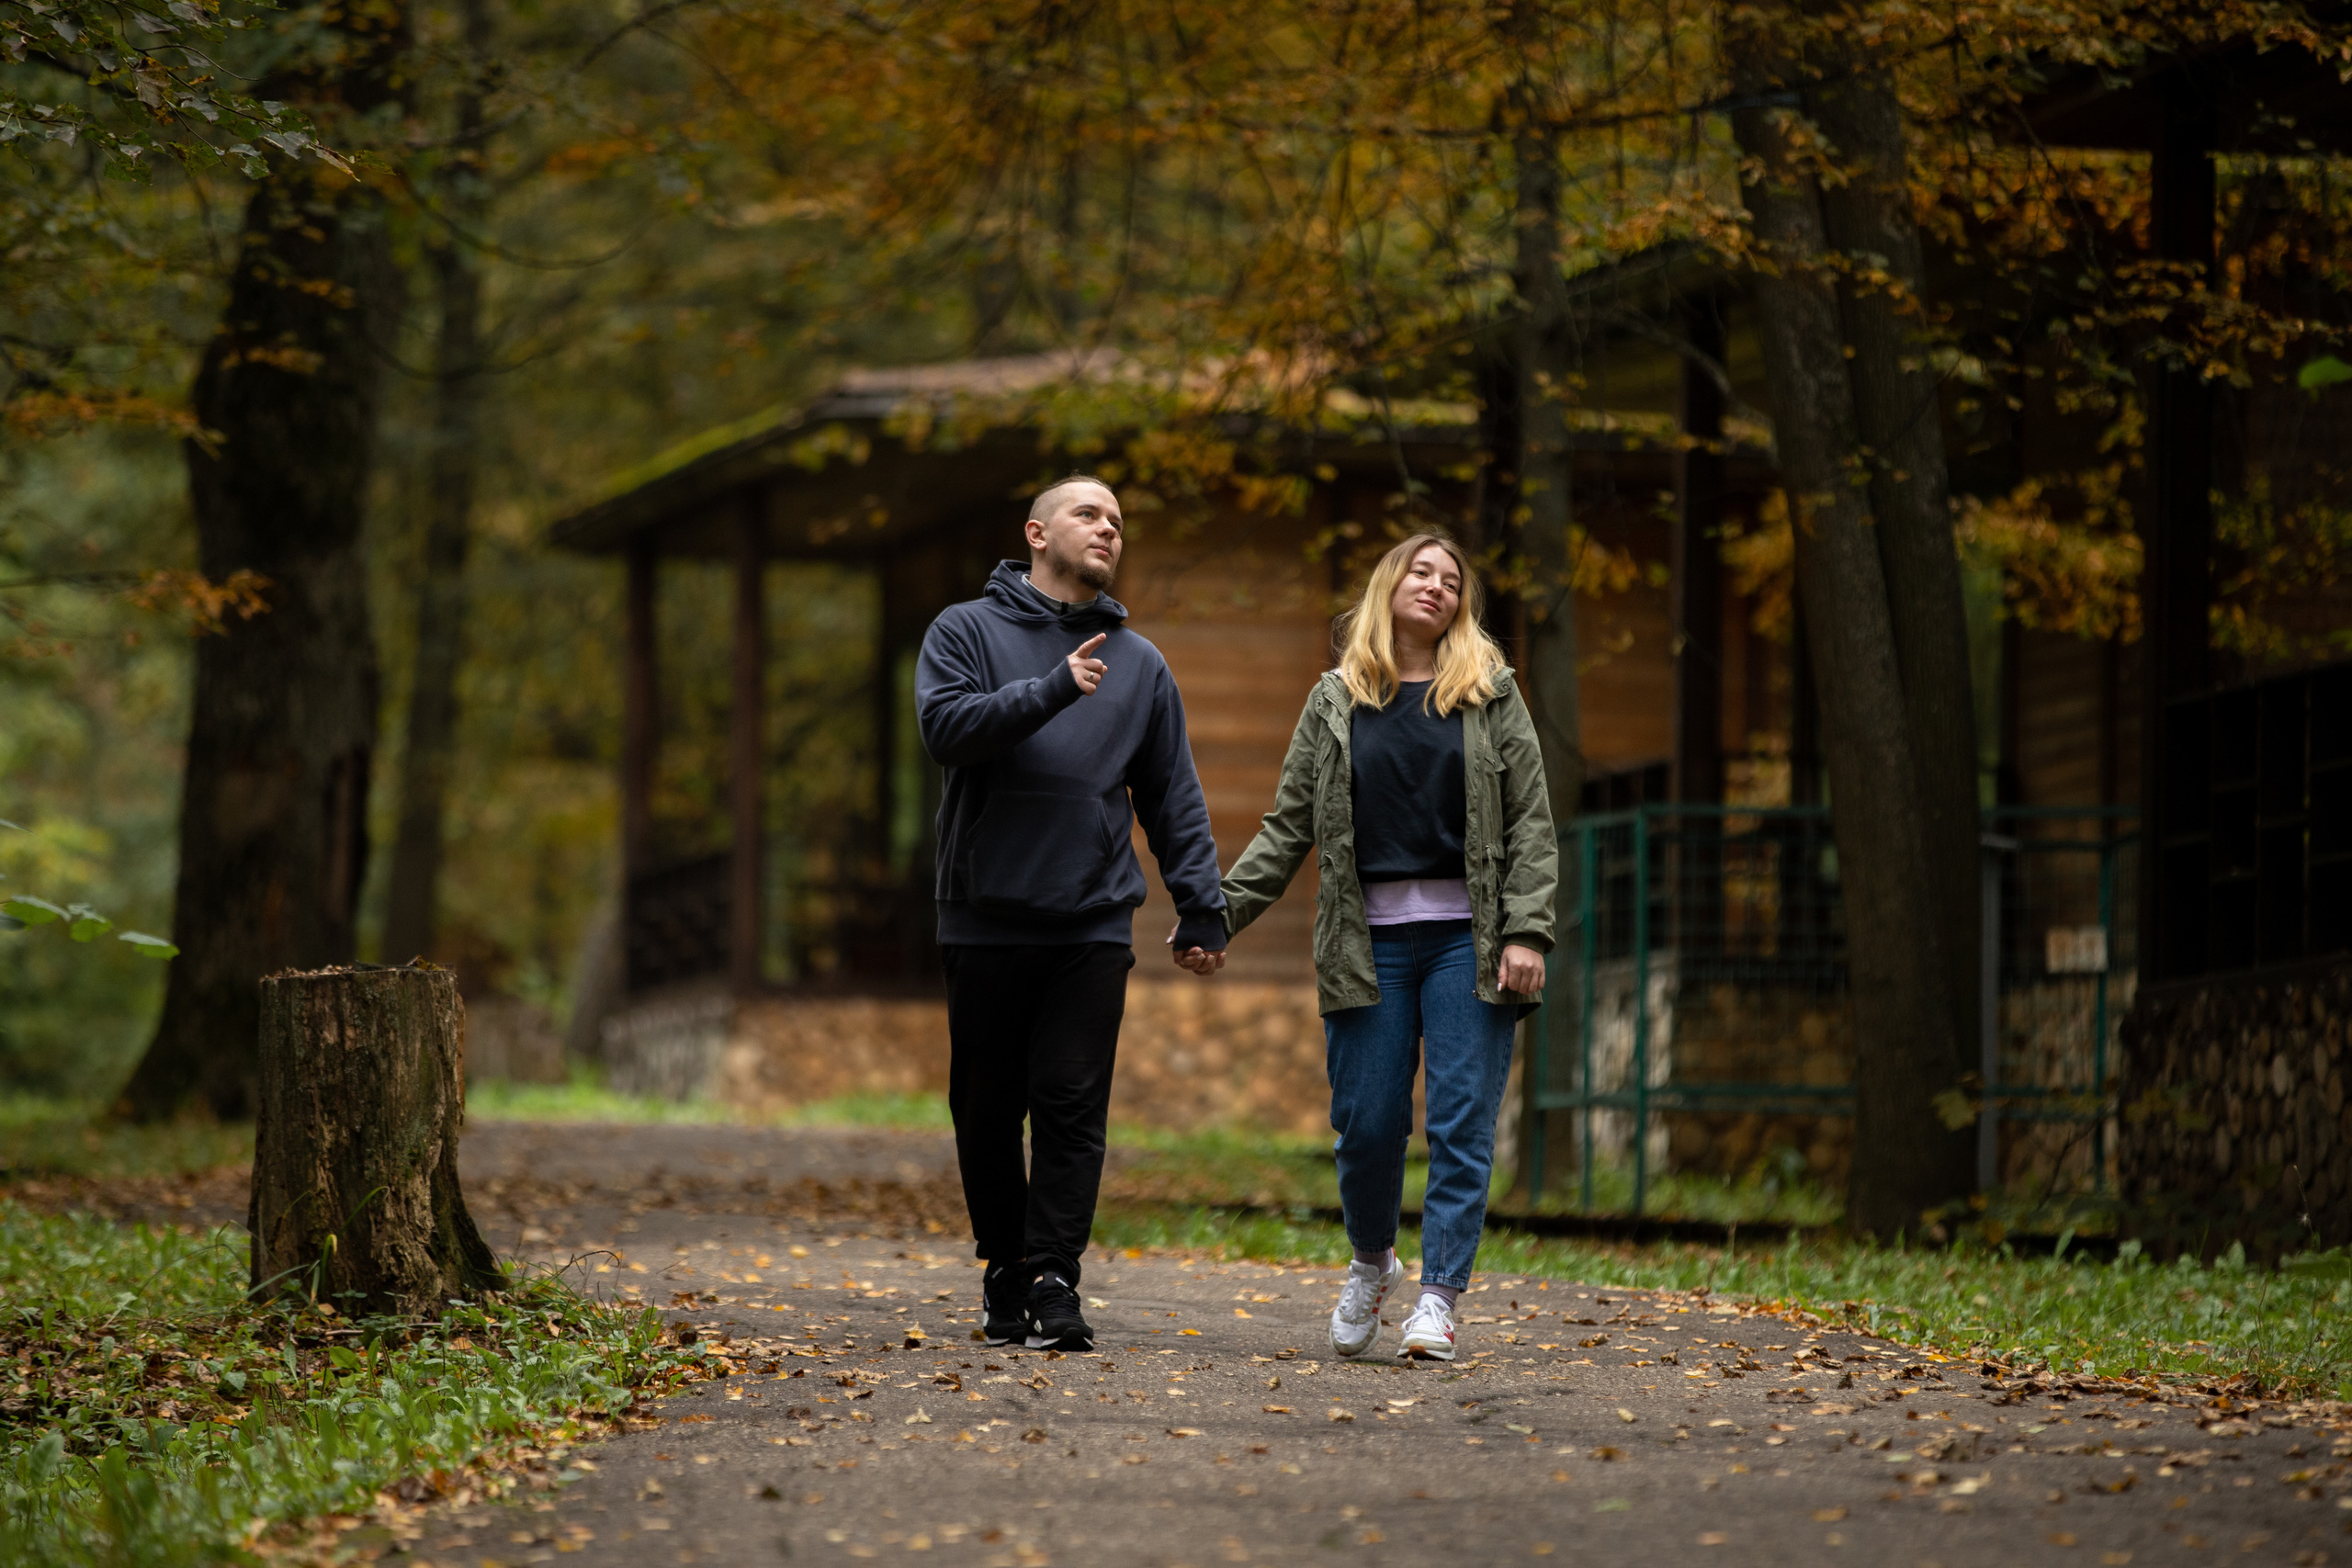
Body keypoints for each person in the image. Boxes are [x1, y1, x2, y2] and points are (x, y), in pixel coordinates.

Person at [1181, 533, 1555, 1361]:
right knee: (1367, 1124)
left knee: (1461, 1121)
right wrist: (1219, 915)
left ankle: (1438, 1297)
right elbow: (1288, 826)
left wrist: (1528, 927)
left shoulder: (1490, 694)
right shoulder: (1334, 700)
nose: (1435, 587)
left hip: (1471, 938)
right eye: (1420, 572)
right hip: (1366, 944)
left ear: (1461, 606)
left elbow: (1531, 817)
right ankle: (1370, 1262)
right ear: (1389, 587)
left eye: (1451, 580)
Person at [918, 474, 1228, 1353]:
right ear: (1036, 532)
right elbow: (948, 730)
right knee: (986, 1107)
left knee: (1070, 1103)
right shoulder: (963, 630)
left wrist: (1202, 905)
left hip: (1090, 918)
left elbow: (1173, 795)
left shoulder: (1142, 663)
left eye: (1119, 521)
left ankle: (1054, 1273)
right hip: (983, 911)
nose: (1108, 529)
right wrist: (1052, 686)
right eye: (1089, 514)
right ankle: (1002, 1268)